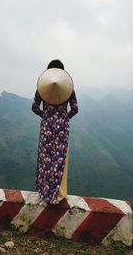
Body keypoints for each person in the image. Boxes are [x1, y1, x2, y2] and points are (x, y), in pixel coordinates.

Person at [32, 59, 78, 204]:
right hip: (62, 128)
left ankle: (44, 192)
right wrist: (65, 117)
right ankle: (58, 194)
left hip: (47, 126)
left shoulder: (42, 87)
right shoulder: (69, 88)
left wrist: (45, 115)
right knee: (59, 159)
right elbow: (75, 108)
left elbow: (34, 107)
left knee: (46, 158)